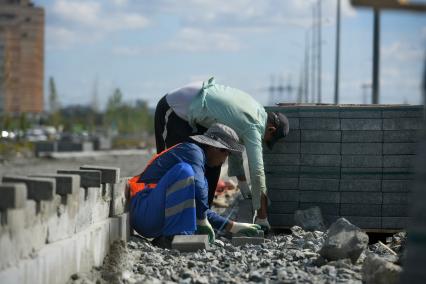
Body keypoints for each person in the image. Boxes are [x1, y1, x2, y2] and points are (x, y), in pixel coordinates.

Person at [154, 77, 289, 231]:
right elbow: (257, 172)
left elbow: (234, 147)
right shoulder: (253, 126)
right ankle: (167, 227)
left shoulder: (256, 110)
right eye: (268, 140)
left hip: (198, 109)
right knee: (175, 168)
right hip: (175, 109)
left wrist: (244, 187)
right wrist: (262, 216)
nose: (264, 143)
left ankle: (202, 219)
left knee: (214, 160)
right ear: (271, 129)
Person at [129, 123, 261, 246]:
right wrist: (202, 219)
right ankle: (175, 237)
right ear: (214, 146)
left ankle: (172, 237)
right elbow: (200, 202)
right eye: (225, 151)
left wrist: (232, 226)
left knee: (193, 183)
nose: (225, 157)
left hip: (151, 215)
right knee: (184, 171)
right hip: (143, 209)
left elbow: (197, 207)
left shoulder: (195, 161)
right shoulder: (193, 151)